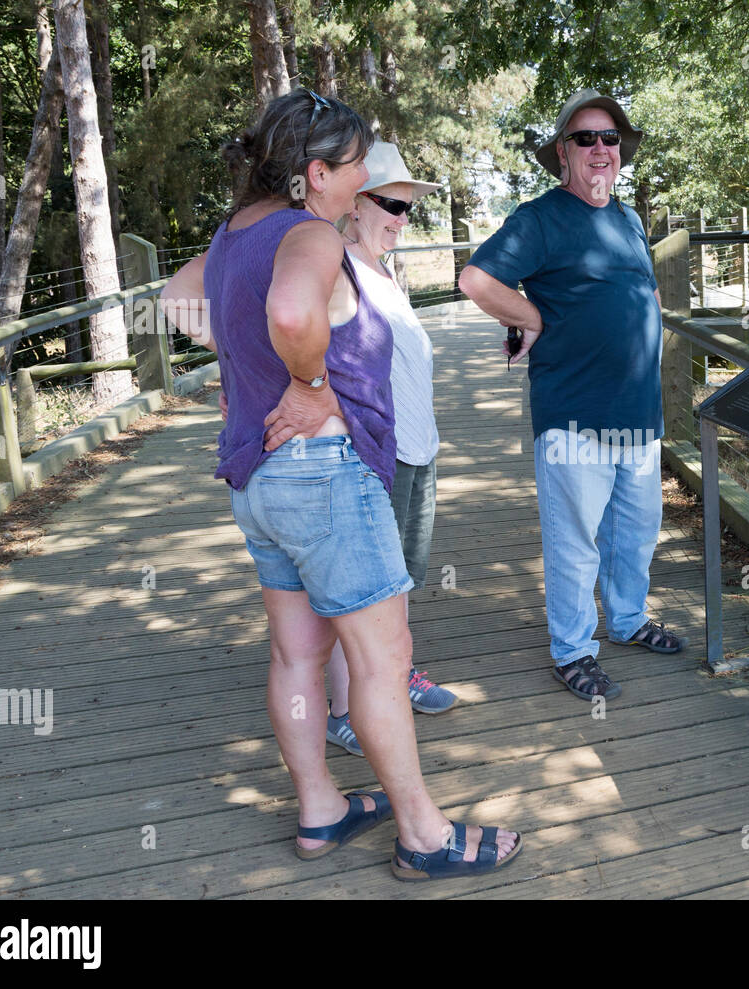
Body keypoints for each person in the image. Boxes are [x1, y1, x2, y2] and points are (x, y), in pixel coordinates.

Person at [160, 89, 520, 880]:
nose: (362, 181)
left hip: (257, 479)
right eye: (355, 165)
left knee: (296, 653)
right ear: (316, 173)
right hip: (324, 470)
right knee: (382, 657)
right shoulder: (307, 234)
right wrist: (311, 380)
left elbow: (175, 301)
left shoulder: (231, 236)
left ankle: (321, 805)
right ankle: (425, 834)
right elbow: (293, 312)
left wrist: (243, 366)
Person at [458, 88, 682, 703]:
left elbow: (647, 297)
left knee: (635, 532)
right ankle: (573, 650)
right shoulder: (540, 218)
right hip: (573, 413)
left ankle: (629, 620)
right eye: (587, 138)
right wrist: (530, 316)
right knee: (574, 540)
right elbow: (476, 279)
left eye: (611, 139)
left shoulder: (630, 219)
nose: (601, 149)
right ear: (564, 152)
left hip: (638, 412)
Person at [324, 142, 457, 760]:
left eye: (407, 208)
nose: (401, 218)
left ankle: (397, 673)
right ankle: (343, 709)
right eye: (390, 204)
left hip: (417, 449)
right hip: (375, 452)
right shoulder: (336, 265)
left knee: (398, 580)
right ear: (355, 203)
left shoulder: (384, 269)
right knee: (360, 587)